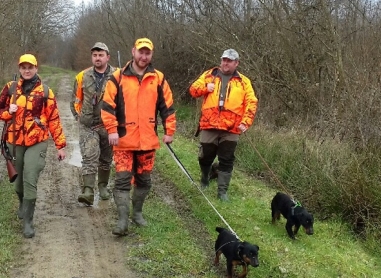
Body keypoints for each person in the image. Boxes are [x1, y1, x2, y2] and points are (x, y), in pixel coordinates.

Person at [101, 38, 176, 236]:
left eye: (147, 53)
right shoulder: (117, 77)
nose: (143, 57)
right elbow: (107, 107)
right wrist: (112, 130)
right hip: (123, 141)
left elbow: (167, 107)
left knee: (144, 180)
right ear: (133, 51)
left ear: (151, 55)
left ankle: (138, 213)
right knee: (123, 181)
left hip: (148, 140)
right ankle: (123, 220)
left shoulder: (158, 78)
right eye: (140, 52)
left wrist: (169, 132)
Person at [0, 54, 67, 238]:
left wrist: (60, 145)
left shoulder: (45, 92)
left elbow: (54, 119)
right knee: (18, 184)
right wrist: (6, 113)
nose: (27, 70)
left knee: (30, 178)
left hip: (37, 141)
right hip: (14, 141)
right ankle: (22, 203)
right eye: (23, 67)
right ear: (19, 69)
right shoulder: (10, 89)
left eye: (30, 67)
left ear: (36, 68)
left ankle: (28, 221)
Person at [189, 49, 258, 201]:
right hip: (209, 124)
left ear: (236, 63)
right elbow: (193, 90)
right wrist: (205, 88)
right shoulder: (209, 75)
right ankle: (205, 177)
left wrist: (245, 122)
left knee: (226, 159)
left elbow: (251, 102)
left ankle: (222, 192)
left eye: (229, 61)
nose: (225, 63)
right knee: (204, 157)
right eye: (224, 60)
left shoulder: (244, 81)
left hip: (231, 128)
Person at [70, 42, 116, 206]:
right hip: (88, 125)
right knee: (89, 156)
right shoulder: (82, 76)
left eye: (101, 55)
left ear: (107, 57)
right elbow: (76, 100)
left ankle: (103, 187)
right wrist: (78, 117)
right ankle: (88, 191)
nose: (98, 58)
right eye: (95, 55)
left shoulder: (118, 76)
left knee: (106, 158)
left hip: (108, 125)